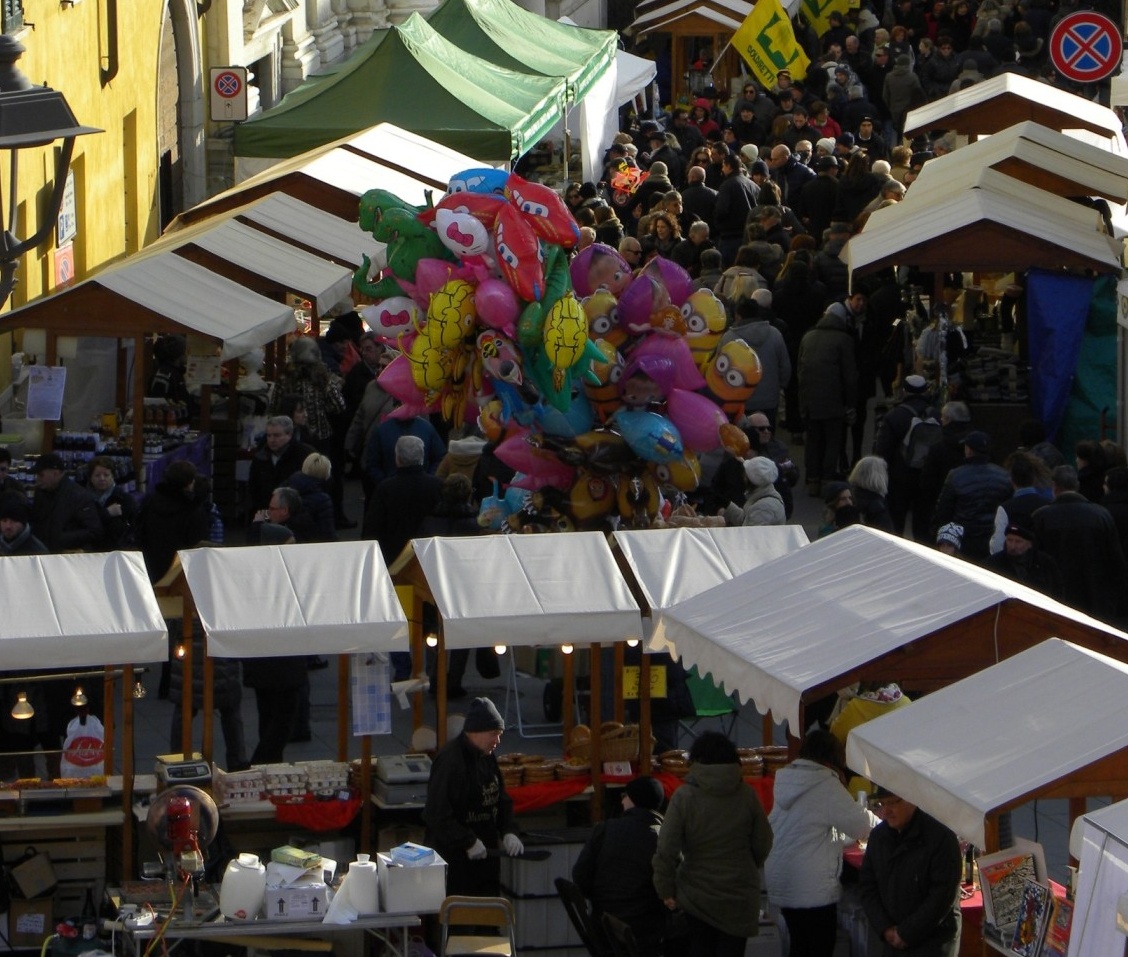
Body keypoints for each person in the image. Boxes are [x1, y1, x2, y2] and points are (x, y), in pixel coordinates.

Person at [652, 731, 773, 957]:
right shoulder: (747, 795)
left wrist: (665, 888)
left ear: (696, 760)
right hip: (739, 895)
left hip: (697, 896)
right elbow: (764, 841)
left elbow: (666, 848)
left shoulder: (684, 796)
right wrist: (746, 864)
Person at [766, 730, 877, 957]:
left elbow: (812, 828)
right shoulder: (824, 784)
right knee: (818, 946)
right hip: (811, 890)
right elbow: (860, 825)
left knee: (799, 945)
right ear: (833, 758)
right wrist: (884, 823)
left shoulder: (790, 780)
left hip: (783, 880)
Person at [423, 697, 523, 895]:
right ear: (474, 732)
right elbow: (437, 813)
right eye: (494, 734)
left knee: (488, 917)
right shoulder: (450, 761)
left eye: (500, 734)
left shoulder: (487, 757)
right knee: (460, 920)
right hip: (454, 861)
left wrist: (509, 831)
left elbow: (501, 798)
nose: (498, 740)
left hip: (486, 860)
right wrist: (468, 841)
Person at [859, 787, 963, 957]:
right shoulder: (879, 837)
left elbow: (943, 894)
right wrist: (885, 928)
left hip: (933, 942)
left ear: (913, 799)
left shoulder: (940, 837)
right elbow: (867, 885)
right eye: (882, 804)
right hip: (892, 938)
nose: (886, 811)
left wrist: (906, 933)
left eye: (893, 803)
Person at [573, 776, 667, 952]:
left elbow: (580, 876)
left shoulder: (606, 829)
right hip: (645, 931)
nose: (622, 801)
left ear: (634, 800)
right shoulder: (663, 838)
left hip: (603, 928)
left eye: (625, 796)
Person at [1031, 465, 1127, 623]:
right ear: (1077, 485)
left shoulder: (1042, 516)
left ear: (1054, 487)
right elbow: (1115, 560)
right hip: (1095, 595)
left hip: (1056, 596)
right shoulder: (1100, 515)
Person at [930, 431, 1011, 559]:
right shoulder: (1004, 476)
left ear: (969, 450)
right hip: (992, 537)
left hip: (964, 538)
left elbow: (943, 511)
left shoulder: (955, 476)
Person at [28, 452, 103, 553]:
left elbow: (94, 531)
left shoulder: (78, 496)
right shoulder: (41, 492)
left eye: (41, 475)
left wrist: (62, 538)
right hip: (43, 553)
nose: (38, 479)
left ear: (55, 473)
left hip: (68, 555)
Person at [246, 415, 316, 521]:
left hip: (296, 515)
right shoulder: (260, 456)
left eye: (277, 435)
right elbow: (253, 486)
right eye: (269, 436)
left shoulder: (305, 455)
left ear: (289, 434)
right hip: (267, 514)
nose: (272, 440)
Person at [985, 523, 1063, 598]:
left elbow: (1058, 592)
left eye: (1018, 542)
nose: (1013, 546)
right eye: (1009, 540)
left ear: (1029, 544)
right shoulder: (993, 564)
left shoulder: (1045, 563)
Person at [86, 455, 138, 550]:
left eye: (106, 475)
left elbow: (135, 527)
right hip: (91, 551)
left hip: (118, 551)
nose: (102, 478)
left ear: (113, 476)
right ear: (90, 478)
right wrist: (107, 513)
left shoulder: (124, 499)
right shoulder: (83, 499)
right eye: (97, 475)